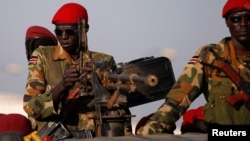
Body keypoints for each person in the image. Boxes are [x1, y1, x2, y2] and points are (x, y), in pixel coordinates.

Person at [136, 0, 250, 135]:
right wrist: (149, 132)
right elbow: (177, 100)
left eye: (248, 18)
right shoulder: (210, 57)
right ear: (227, 22)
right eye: (236, 19)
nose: (243, 24)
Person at [23, 2, 132, 139]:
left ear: (84, 29)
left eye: (69, 32)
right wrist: (62, 86)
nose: (63, 37)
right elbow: (30, 107)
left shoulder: (104, 61)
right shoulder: (43, 56)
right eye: (58, 32)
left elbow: (119, 107)